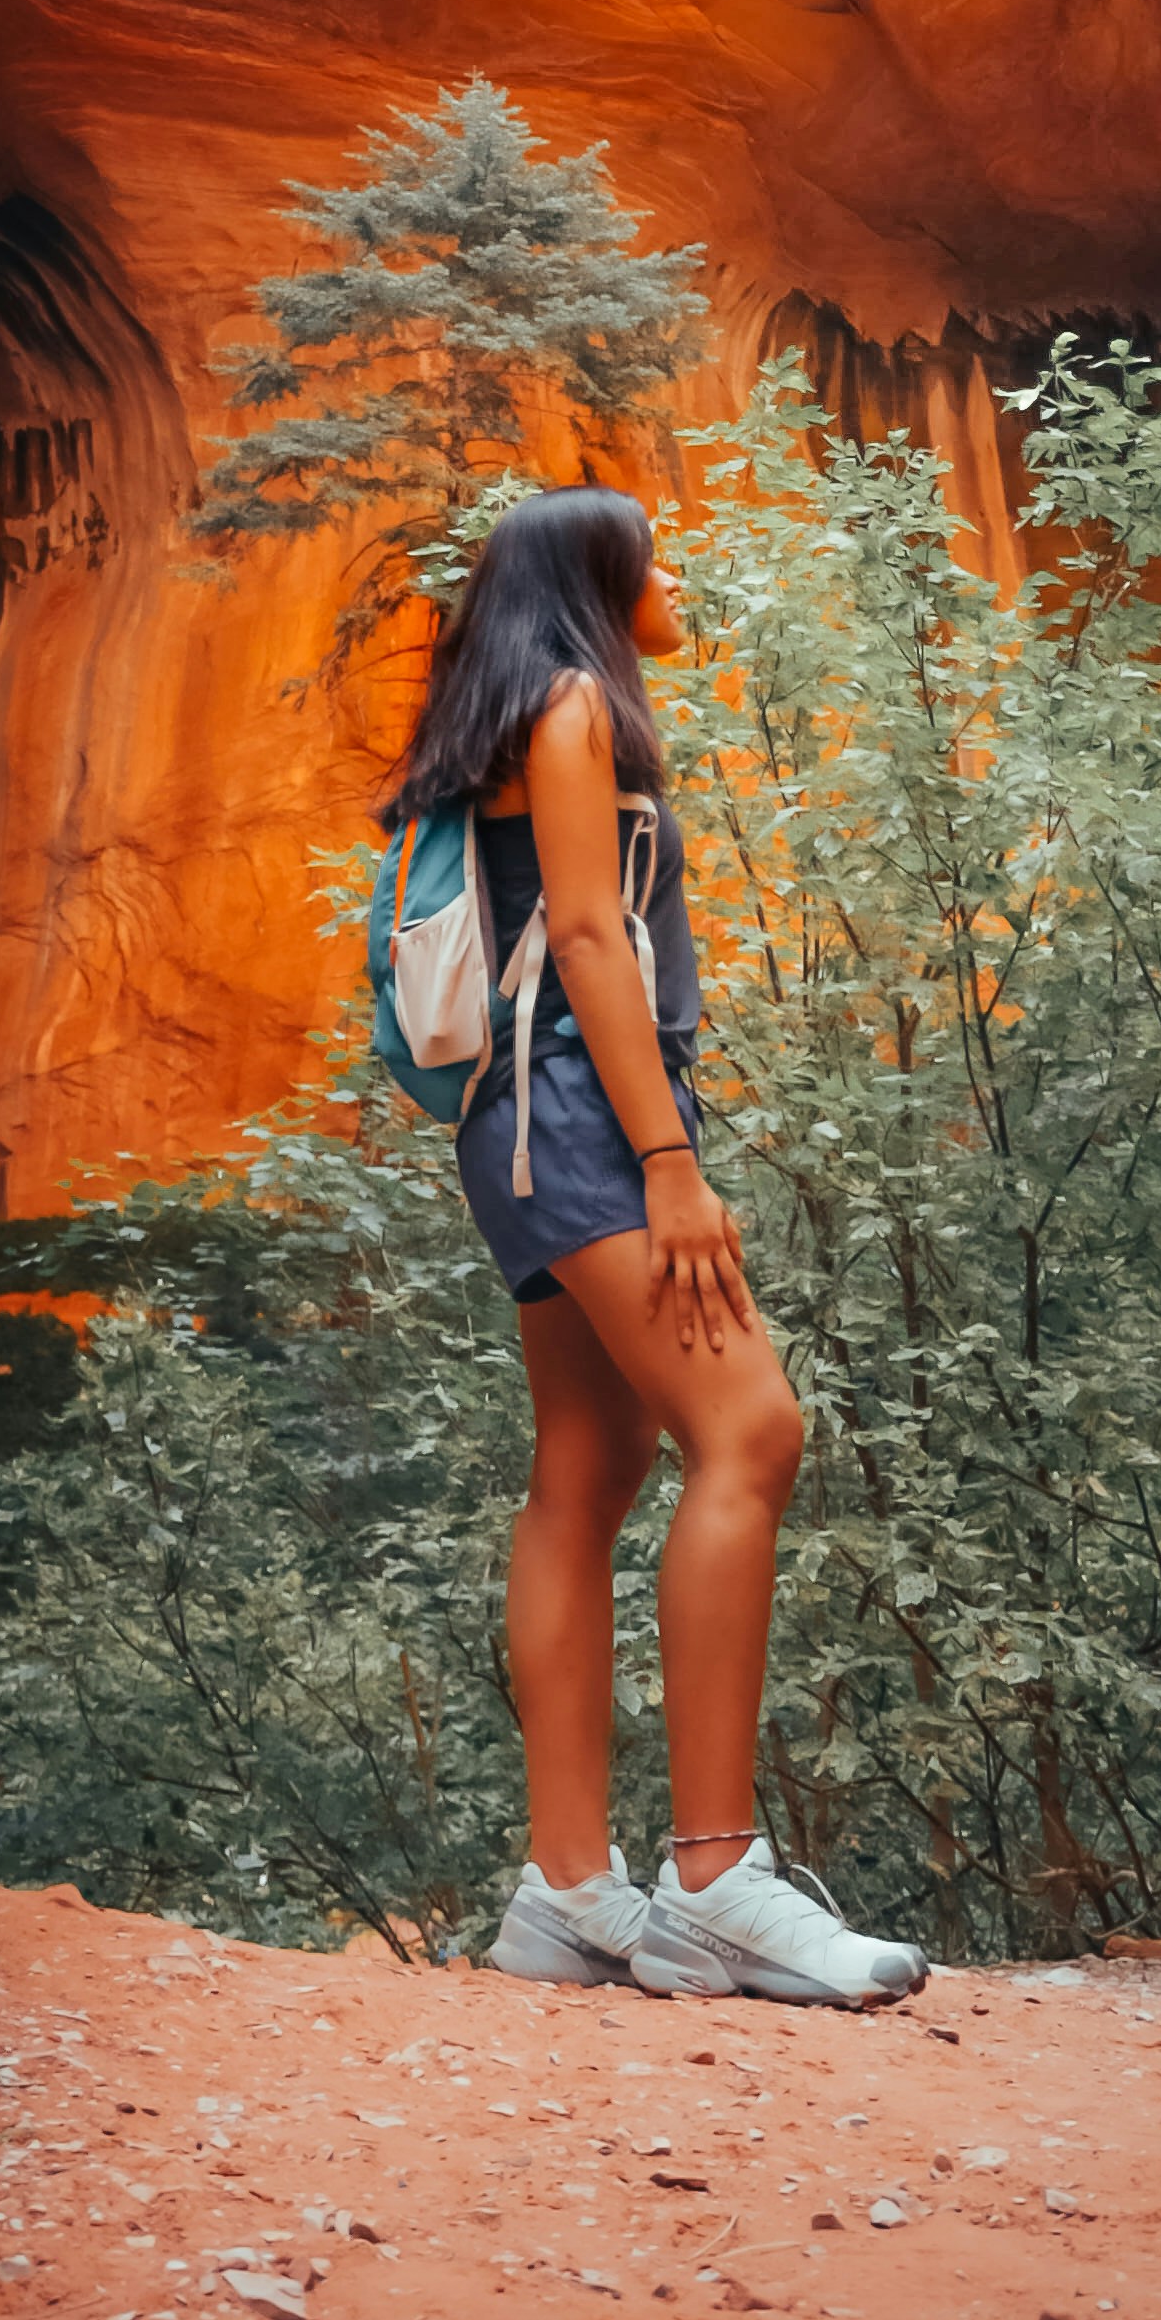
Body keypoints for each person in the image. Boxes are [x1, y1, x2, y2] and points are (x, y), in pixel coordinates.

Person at [379, 486, 926, 2008]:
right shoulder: (570, 712)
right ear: (598, 583)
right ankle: (715, 1882)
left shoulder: (514, 720)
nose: (672, 578)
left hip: (524, 1124)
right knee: (750, 1427)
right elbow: (591, 939)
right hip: (578, 1122)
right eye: (653, 557)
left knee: (588, 1466)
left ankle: (564, 1895)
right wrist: (671, 1164)